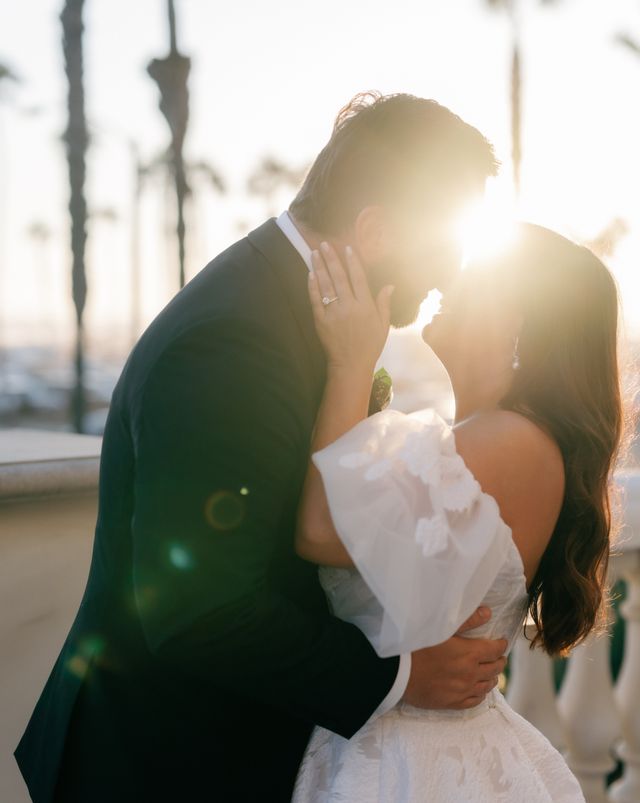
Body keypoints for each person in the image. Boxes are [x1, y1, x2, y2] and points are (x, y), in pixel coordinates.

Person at [15, 92, 506, 803]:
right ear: (373, 231)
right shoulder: (236, 340)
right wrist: (401, 677)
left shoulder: (298, 308)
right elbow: (201, 607)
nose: (449, 275)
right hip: (158, 764)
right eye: (444, 246)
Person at [292, 225, 623, 801]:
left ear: (519, 320)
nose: (450, 281)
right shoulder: (481, 439)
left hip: (414, 767)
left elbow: (321, 531)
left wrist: (349, 365)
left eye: (477, 275)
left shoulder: (512, 440)